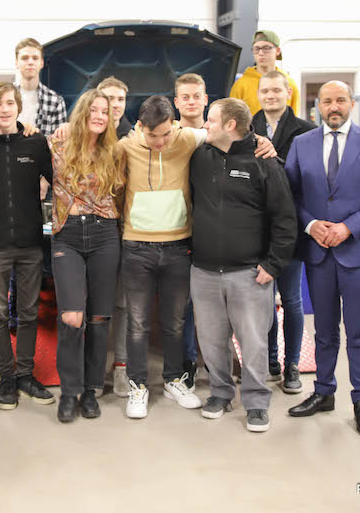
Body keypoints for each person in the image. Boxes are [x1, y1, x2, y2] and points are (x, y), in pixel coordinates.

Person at [116, 96, 277, 419]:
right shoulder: (125, 147)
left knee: (176, 323)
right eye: (153, 135)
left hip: (178, 246)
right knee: (138, 323)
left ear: (174, 125)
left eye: (166, 133)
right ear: (140, 127)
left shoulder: (188, 138)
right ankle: (138, 385)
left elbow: (234, 132)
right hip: (137, 247)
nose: (161, 142)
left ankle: (175, 380)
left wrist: (262, 141)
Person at [284, 81, 360, 438]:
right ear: (317, 106)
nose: (333, 107)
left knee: (358, 331)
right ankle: (323, 392)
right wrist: (311, 224)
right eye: (327, 101)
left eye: (340, 100)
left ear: (351, 104)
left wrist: (348, 227)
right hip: (319, 253)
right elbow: (290, 195)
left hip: (359, 253)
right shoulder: (302, 144)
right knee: (324, 330)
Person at [189, 98, 297, 433]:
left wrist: (273, 264)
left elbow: (285, 218)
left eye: (210, 120)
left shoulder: (264, 162)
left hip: (249, 273)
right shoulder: (199, 156)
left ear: (230, 125)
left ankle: (256, 402)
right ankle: (220, 393)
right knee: (211, 341)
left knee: (253, 343)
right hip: (204, 270)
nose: (205, 125)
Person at [0, 81, 55, 410]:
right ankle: (6, 378)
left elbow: (59, 179)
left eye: (10, 103)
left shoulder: (36, 142)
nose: (4, 109)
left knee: (28, 313)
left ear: (19, 107)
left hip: (30, 243)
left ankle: (25, 375)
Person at [49, 89, 124, 423]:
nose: (99, 116)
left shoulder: (116, 151)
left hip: (105, 234)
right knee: (71, 316)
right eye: (93, 110)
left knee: (98, 318)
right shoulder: (57, 144)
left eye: (104, 112)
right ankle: (69, 391)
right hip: (67, 235)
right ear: (82, 113)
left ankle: (91, 390)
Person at [252, 70, 316, 393]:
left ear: (288, 92)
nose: (270, 95)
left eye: (276, 90)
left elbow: (309, 180)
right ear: (258, 94)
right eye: (265, 91)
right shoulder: (247, 127)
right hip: (256, 231)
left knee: (290, 300)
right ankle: (270, 361)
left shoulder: (307, 131)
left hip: (290, 230)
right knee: (263, 301)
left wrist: (276, 159)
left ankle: (291, 365)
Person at [95, 76, 132, 395]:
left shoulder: (137, 136)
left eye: (120, 98)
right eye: (109, 98)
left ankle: (121, 366)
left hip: (129, 230)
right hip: (95, 231)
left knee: (123, 304)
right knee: (95, 303)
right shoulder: (87, 136)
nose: (115, 104)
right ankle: (93, 369)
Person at [173, 73, 209, 386]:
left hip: (213, 232)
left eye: (196, 95)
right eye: (185, 96)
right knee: (183, 304)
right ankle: (187, 363)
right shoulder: (167, 135)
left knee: (212, 303)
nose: (191, 101)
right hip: (178, 230)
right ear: (176, 102)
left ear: (206, 99)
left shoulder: (220, 133)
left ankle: (215, 362)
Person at [230, 30, 300, 116]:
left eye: (266, 48)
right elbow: (233, 118)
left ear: (278, 51)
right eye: (256, 49)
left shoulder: (289, 84)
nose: (261, 53)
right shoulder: (241, 85)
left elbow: (295, 118)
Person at [14, 37, 67, 136]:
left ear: (41, 63)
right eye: (25, 58)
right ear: (16, 62)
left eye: (35, 58)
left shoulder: (55, 101)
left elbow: (58, 142)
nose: (30, 62)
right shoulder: (3, 97)